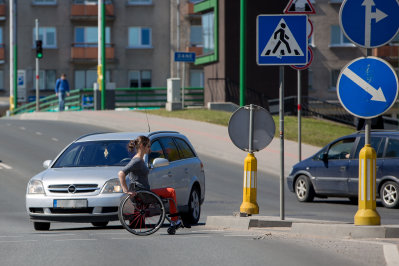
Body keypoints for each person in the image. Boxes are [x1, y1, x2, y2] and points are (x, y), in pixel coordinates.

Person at [118, 136, 182, 230]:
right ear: (141, 146)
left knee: (169, 193)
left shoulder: (140, 159)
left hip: (143, 191)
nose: (150, 148)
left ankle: (175, 219)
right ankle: (175, 220)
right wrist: (125, 190)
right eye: (148, 146)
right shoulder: (137, 161)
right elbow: (121, 173)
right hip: (144, 193)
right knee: (171, 192)